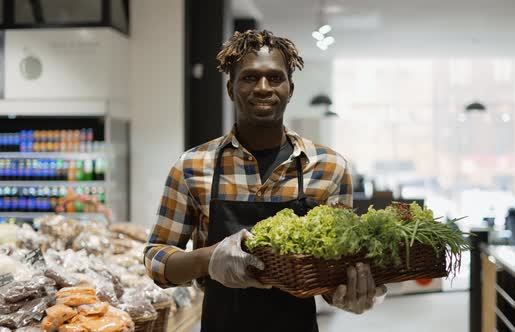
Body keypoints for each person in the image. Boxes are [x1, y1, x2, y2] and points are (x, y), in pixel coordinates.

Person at [143, 30, 386, 332]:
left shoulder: (329, 168)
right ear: (231, 88)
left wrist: (350, 295)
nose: (262, 87)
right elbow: (156, 259)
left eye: (274, 78)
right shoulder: (192, 166)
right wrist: (209, 259)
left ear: (290, 88)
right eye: (249, 78)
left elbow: (332, 274)